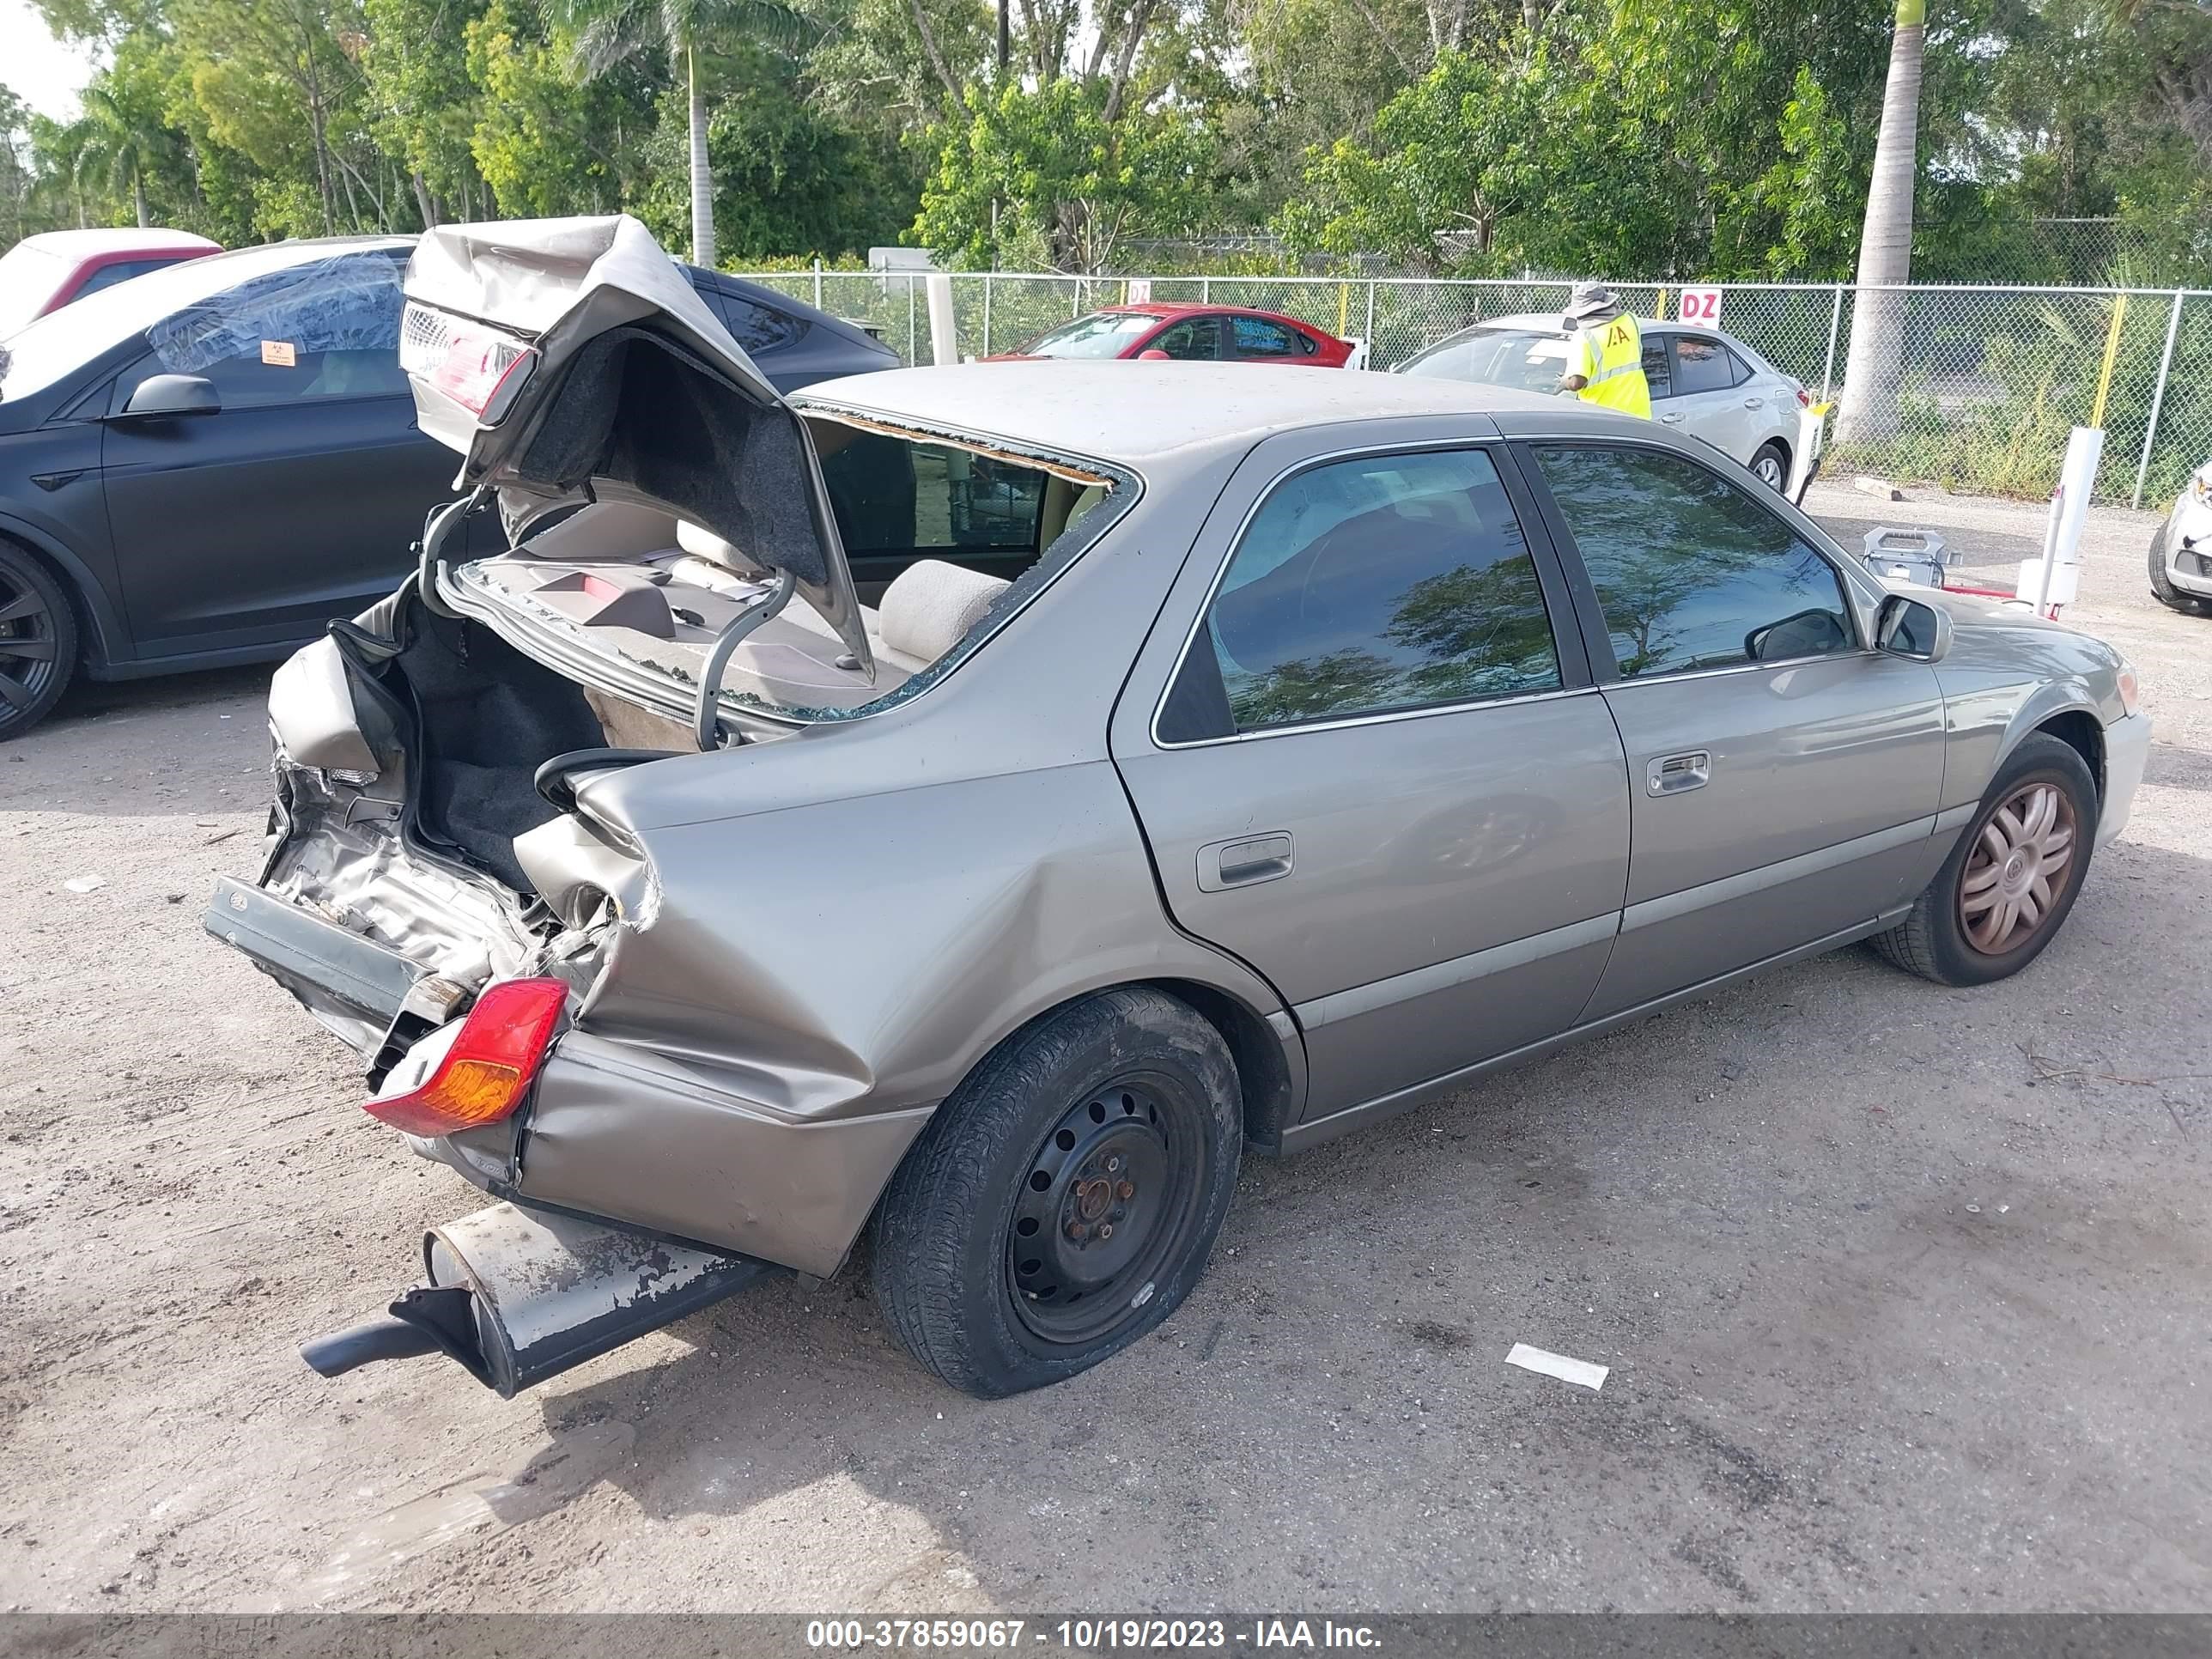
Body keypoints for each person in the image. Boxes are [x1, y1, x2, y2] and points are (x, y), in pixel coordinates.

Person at [1557, 283, 1651, 418]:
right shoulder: (1630, 320)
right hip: (1639, 412)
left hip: (1604, 417)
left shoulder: (1584, 336)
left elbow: (1576, 382)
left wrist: (1563, 382)